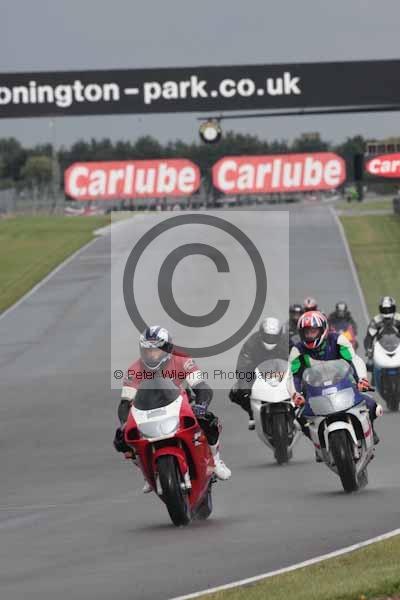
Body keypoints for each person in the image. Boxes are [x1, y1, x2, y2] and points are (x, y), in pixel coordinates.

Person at [113, 326, 231, 491]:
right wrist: (124, 423)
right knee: (121, 438)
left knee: (209, 420)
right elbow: (125, 403)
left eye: (156, 350)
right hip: (148, 412)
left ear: (167, 349)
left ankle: (216, 460)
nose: (151, 355)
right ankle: (146, 471)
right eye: (147, 351)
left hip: (182, 406)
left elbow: (202, 387)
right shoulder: (134, 370)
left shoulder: (183, 360)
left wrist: (201, 406)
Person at [288, 310, 381, 457]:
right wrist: (295, 394)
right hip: (314, 392)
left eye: (313, 331)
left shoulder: (337, 340)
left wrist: (362, 379)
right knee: (299, 418)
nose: (310, 335)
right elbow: (293, 375)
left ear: (322, 329)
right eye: (306, 332)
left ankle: (370, 430)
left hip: (343, 385)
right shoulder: (297, 350)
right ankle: (318, 444)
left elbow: (353, 359)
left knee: (372, 405)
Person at [229, 317, 289, 430]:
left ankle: (299, 414)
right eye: (267, 336)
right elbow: (242, 367)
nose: (270, 340)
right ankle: (252, 413)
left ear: (280, 335)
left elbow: (296, 359)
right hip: (257, 374)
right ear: (261, 334)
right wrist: (245, 388)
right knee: (236, 393)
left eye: (274, 337)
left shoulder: (286, 342)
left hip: (282, 373)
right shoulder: (251, 343)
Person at [364, 296, 400, 370]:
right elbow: (369, 337)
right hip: (380, 348)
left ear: (394, 308)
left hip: (397, 347)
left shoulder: (399, 318)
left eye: (389, 309)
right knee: (370, 365)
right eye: (384, 310)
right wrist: (369, 350)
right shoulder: (375, 321)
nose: (387, 312)